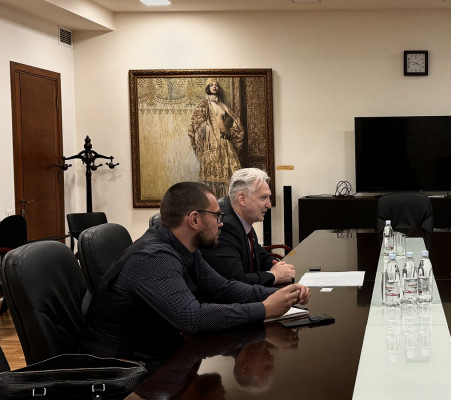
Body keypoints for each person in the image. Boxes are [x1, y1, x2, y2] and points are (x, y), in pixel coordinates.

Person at [81, 182, 310, 362]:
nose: (221, 223)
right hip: (127, 369)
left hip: (157, 351)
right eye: (217, 216)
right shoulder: (154, 257)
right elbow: (193, 318)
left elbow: (222, 288)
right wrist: (264, 309)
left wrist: (281, 294)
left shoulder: (184, 248)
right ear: (194, 219)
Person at [202, 168, 295, 286]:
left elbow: (259, 255)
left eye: (269, 198)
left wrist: (278, 265)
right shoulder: (225, 227)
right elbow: (236, 281)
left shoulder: (243, 221)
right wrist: (274, 276)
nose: (269, 205)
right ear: (242, 199)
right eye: (263, 198)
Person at [188, 78, 245, 198]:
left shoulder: (223, 106)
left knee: (232, 175)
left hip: (225, 143)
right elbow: (195, 125)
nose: (214, 87)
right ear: (207, 88)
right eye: (211, 85)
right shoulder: (203, 105)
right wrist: (208, 132)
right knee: (212, 178)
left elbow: (236, 123)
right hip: (211, 145)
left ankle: (228, 201)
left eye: (216, 85)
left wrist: (230, 133)